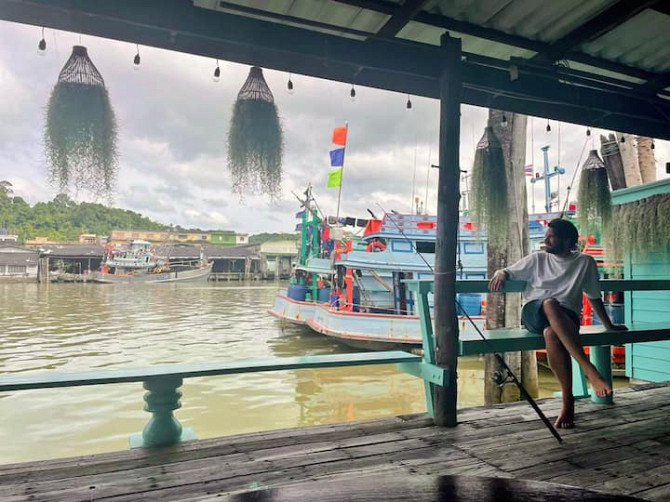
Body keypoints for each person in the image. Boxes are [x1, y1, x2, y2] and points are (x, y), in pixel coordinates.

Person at [489, 218, 627, 429]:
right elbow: (508, 272)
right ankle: (589, 370)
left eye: (551, 236)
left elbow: (594, 297)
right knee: (550, 303)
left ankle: (567, 401)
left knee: (552, 335)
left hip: (566, 317)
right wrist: (500, 272)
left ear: (568, 240)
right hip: (534, 313)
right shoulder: (538, 259)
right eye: (546, 236)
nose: (546, 240)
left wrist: (609, 325)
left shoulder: (585, 262)